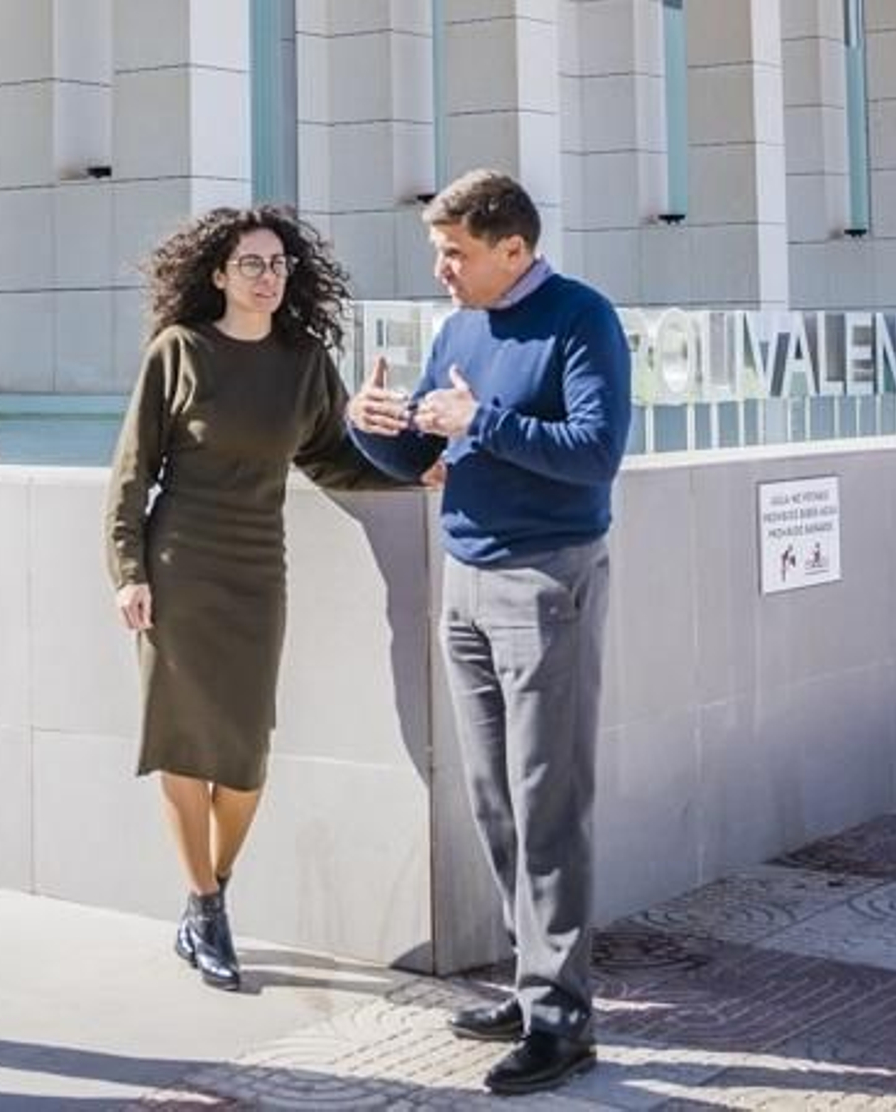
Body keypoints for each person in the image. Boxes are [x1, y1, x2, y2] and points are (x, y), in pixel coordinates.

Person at [347, 169, 630, 1096]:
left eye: (455, 252)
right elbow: (426, 454)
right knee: (493, 800)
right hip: (463, 577)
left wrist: (483, 419)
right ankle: (528, 980)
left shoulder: (583, 319)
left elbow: (595, 452)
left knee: (548, 802)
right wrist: (374, 428)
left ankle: (562, 1020)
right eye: (439, 250)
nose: (441, 268)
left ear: (514, 248)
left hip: (548, 580)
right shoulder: (461, 328)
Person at [104, 206, 400, 992]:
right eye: (252, 265)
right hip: (179, 569)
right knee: (180, 745)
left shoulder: (303, 362)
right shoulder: (179, 352)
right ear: (217, 275)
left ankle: (213, 888)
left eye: (278, 265)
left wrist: (412, 472)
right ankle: (205, 908)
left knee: (244, 761)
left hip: (256, 571)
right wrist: (128, 570)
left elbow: (335, 459)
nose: (268, 278)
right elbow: (131, 473)